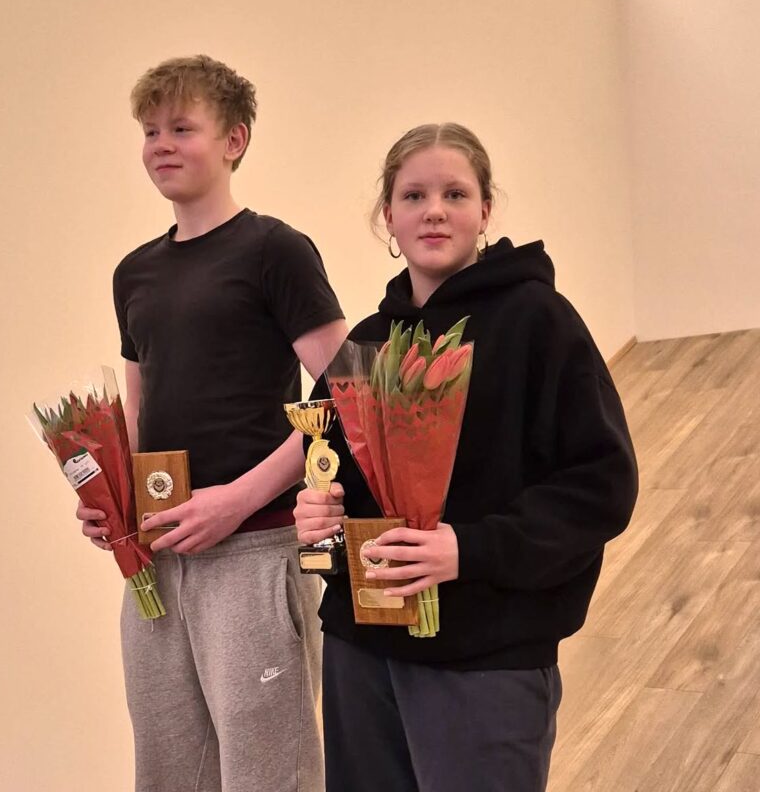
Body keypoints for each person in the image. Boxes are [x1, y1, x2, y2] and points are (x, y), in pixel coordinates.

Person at [293, 122, 639, 792]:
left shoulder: (539, 321)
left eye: (455, 193)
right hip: (361, 652)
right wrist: (319, 515)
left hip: (487, 654)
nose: (434, 210)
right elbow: (325, 467)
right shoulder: (366, 343)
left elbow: (602, 484)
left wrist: (468, 550)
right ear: (387, 217)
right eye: (414, 195)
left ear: (485, 210)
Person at [76, 55, 346, 792]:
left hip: (255, 552)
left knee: (268, 775)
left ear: (234, 139)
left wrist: (237, 500)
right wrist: (110, 503)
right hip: (158, 560)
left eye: (182, 127)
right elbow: (139, 413)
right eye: (150, 130)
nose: (161, 144)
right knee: (167, 774)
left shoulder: (275, 251)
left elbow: (347, 397)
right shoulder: (133, 273)